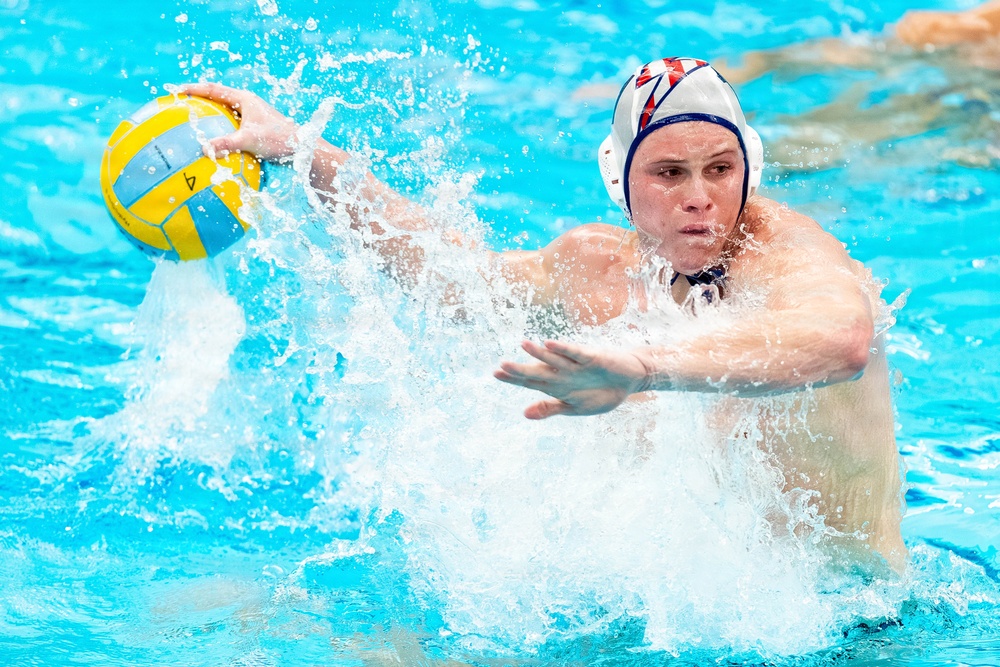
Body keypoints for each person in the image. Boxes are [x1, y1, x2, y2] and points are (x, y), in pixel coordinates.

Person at [180, 56, 906, 571]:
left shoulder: (787, 252)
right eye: (668, 172)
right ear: (622, 184)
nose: (700, 196)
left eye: (720, 168)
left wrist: (647, 368)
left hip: (857, 625)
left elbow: (839, 339)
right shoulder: (597, 265)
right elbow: (454, 276)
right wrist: (305, 153)